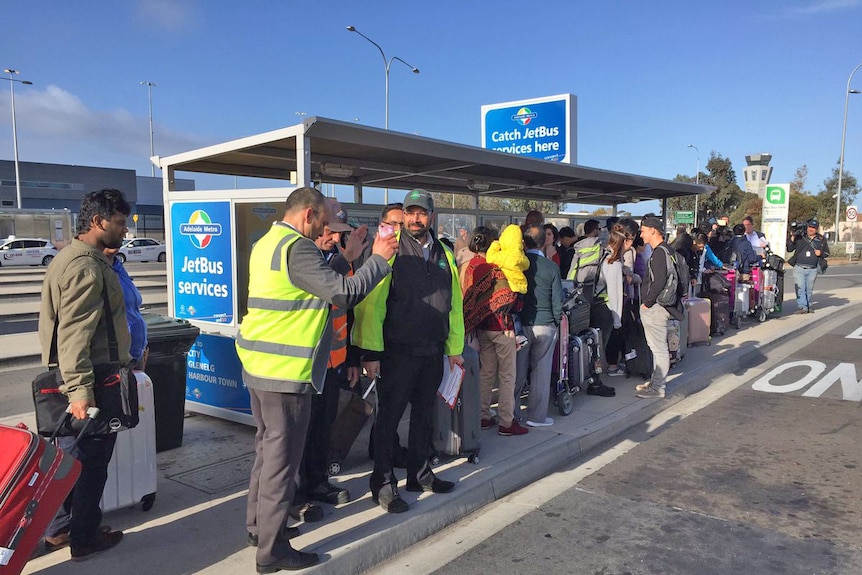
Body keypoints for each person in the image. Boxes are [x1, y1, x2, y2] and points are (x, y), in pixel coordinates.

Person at [236, 187, 397, 572]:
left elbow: (313, 284)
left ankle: (259, 528)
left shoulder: (269, 242)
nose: (327, 229)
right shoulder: (300, 247)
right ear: (308, 215)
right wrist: (378, 261)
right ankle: (271, 552)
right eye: (324, 222)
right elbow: (343, 295)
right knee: (281, 463)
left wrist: (347, 258)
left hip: (259, 367)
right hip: (286, 374)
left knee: (265, 454)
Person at [353, 189, 464, 514]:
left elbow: (453, 302)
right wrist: (370, 352)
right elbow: (372, 304)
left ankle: (419, 474)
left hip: (432, 351)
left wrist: (454, 348)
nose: (416, 218)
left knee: (424, 418)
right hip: (397, 351)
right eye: (411, 212)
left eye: (422, 212)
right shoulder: (391, 248)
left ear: (432, 216)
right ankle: (383, 485)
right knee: (388, 420)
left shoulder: (444, 251)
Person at [38, 188, 130, 561]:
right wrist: (80, 391)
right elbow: (74, 332)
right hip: (91, 379)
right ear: (98, 221)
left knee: (70, 459)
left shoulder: (74, 258)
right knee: (91, 464)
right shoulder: (85, 266)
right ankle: (84, 537)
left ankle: (61, 530)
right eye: (120, 222)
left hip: (81, 376)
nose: (124, 230)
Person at [291, 199, 367, 518]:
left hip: (332, 365)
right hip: (303, 366)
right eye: (330, 231)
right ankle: (294, 497)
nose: (334, 238)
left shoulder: (340, 261)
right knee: (298, 434)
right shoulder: (300, 259)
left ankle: (319, 482)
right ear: (316, 223)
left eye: (340, 233)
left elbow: (347, 315)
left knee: (322, 428)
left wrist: (351, 360)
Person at [461, 227, 528, 437]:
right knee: (508, 375)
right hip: (501, 328)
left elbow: (471, 300)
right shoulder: (496, 268)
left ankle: (482, 416)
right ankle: (506, 422)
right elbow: (509, 299)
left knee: (486, 373)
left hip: (481, 329)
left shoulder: (469, 265)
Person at [513, 224, 562, 427]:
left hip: (521, 325)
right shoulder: (551, 267)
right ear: (544, 242)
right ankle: (537, 416)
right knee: (541, 371)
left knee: (517, 371)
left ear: (524, 243)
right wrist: (556, 322)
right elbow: (557, 301)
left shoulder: (518, 266)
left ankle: (511, 413)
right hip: (545, 324)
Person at [635, 216, 684, 400]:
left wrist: (647, 303)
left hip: (656, 307)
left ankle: (658, 388)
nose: (642, 234)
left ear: (653, 231)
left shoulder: (658, 253)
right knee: (658, 347)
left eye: (644, 230)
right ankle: (656, 381)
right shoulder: (668, 250)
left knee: (659, 349)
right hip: (664, 305)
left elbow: (659, 282)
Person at [786, 218, 830, 314]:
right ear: (807, 227)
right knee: (800, 287)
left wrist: (820, 253)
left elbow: (827, 253)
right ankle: (802, 306)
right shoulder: (800, 236)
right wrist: (792, 237)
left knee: (809, 289)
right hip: (799, 267)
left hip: (813, 269)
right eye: (810, 226)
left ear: (817, 229)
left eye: (814, 228)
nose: (811, 229)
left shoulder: (821, 239)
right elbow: (789, 248)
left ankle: (807, 305)